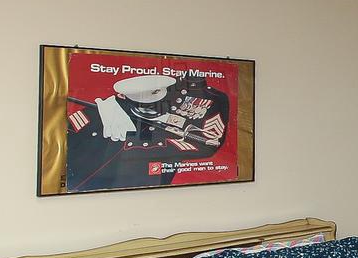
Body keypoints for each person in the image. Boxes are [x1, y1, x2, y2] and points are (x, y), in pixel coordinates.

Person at [63, 71, 233, 192]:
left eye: (153, 104)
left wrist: (136, 144)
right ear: (124, 97)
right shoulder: (108, 109)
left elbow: (207, 144)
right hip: (84, 188)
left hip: (145, 187)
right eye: (140, 104)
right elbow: (66, 134)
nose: (147, 108)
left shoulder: (202, 100)